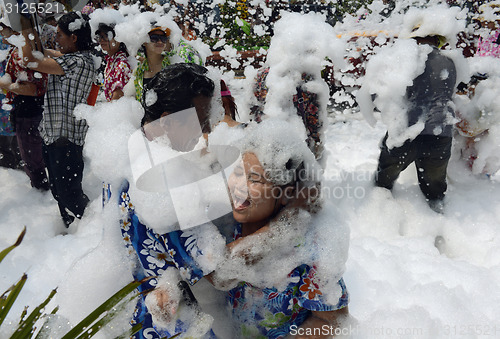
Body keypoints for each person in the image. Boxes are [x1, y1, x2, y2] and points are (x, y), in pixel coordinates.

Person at [149, 119, 350, 338]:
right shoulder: (225, 227)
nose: (240, 187)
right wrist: (169, 289)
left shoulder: (310, 248)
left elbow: (332, 320)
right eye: (236, 174)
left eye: (255, 180)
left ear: (285, 194)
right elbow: (215, 274)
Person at [118, 63, 219, 339]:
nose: (208, 128)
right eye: (200, 120)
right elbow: (219, 270)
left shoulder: (126, 156)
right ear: (166, 121)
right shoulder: (164, 182)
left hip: (136, 312)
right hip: (172, 322)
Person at [21, 12, 97, 227]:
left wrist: (25, 29)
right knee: (58, 191)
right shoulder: (72, 58)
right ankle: (72, 228)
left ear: (74, 38)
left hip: (67, 142)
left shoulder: (80, 62)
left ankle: (92, 229)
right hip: (55, 138)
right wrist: (31, 32)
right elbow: (44, 52)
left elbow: (30, 61)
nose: (57, 39)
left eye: (61, 35)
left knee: (69, 194)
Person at [374, 30, 457, 214]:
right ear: (437, 39)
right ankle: (440, 224)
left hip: (405, 130)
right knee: (435, 190)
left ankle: (377, 213)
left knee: (383, 180)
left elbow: (381, 96)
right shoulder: (449, 60)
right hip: (440, 132)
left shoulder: (405, 60)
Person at [0, 21, 49, 190]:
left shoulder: (26, 53)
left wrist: (7, 86)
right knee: (30, 157)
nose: (2, 34)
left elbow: (34, 88)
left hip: (30, 112)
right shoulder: (17, 50)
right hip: (23, 110)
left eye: (4, 29)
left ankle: (42, 192)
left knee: (33, 159)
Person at [134, 23, 203, 101]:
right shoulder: (139, 71)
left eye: (163, 38)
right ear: (144, 41)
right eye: (154, 38)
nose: (160, 42)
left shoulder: (174, 63)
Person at [0, 34, 22, 170]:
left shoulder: (8, 43)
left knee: (8, 121)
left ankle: (11, 158)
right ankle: (16, 157)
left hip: (8, 90)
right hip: (11, 92)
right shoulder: (10, 42)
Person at [94, 23, 131, 101]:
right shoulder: (112, 59)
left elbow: (118, 96)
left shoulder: (121, 63)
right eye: (100, 37)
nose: (102, 40)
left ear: (118, 39)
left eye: (106, 36)